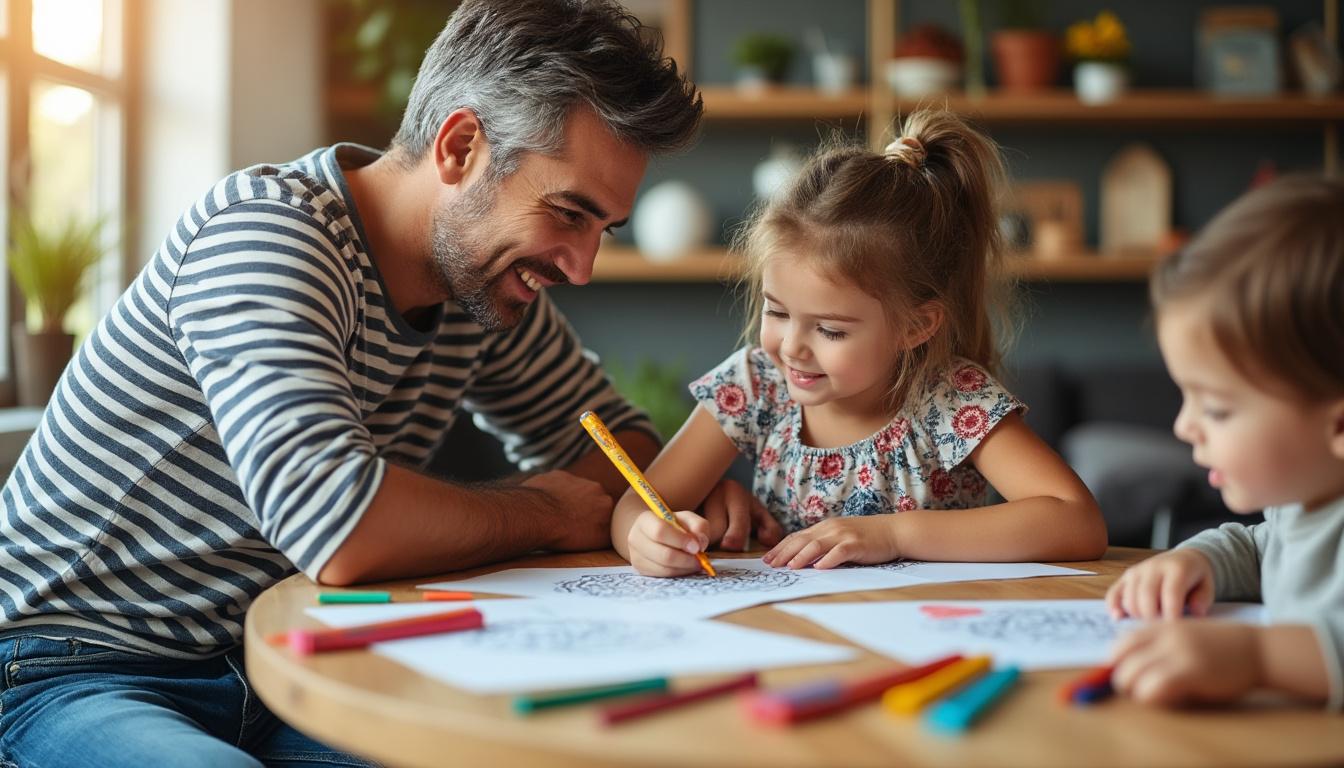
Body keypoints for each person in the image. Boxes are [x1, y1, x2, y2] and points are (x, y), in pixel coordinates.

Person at [0, 1, 718, 764]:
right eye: (569, 214)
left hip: (281, 655)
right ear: (462, 146)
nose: (582, 266)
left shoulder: (483, 281)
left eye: (602, 229)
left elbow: (620, 445)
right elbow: (337, 525)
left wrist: (661, 501)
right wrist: (546, 510)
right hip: (71, 660)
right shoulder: (267, 233)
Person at [612, 110, 1107, 577]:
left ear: (916, 326)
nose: (793, 348)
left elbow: (1077, 522)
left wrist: (893, 533)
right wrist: (647, 537)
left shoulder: (950, 398)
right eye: (778, 312)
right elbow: (636, 504)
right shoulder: (756, 383)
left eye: (830, 330)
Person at [1105, 175, 1344, 711]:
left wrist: (1257, 657)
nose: (1185, 426)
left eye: (1215, 407)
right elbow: (1259, 548)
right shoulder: (1301, 505)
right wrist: (1198, 562)